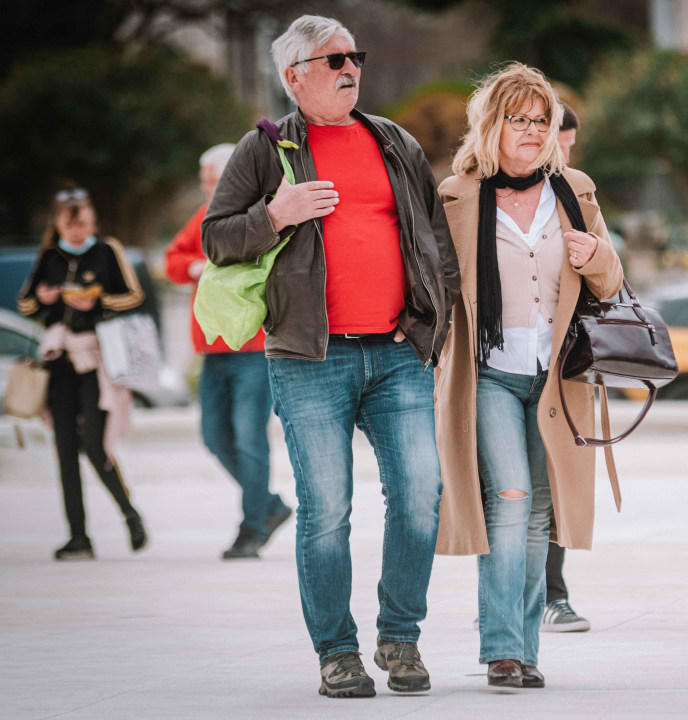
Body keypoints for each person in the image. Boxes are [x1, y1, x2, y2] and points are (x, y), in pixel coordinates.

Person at [202, 15, 459, 698]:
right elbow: (216, 239)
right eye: (333, 60)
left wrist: (431, 326)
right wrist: (276, 215)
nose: (351, 69)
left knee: (419, 499)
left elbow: (436, 243)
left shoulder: (394, 141)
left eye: (355, 57)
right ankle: (336, 653)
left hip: (398, 354)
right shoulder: (264, 150)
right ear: (294, 77)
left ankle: (400, 638)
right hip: (308, 358)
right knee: (327, 511)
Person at [434, 64, 623, 689]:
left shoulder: (574, 189)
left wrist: (597, 257)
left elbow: (612, 282)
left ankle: (526, 650)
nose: (532, 131)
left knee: (541, 513)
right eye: (519, 119)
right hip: (487, 374)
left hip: (556, 379)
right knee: (510, 501)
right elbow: (432, 286)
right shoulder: (457, 195)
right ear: (493, 124)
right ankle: (502, 649)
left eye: (541, 121)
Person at [165, 144, 291, 561]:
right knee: (215, 436)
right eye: (203, 178)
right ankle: (268, 505)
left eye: (209, 177)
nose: (204, 185)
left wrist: (210, 263)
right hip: (212, 349)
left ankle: (252, 527)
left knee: (250, 438)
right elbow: (172, 261)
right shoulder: (202, 217)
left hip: (252, 346)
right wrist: (196, 267)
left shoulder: (262, 214)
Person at [17, 188, 148, 561]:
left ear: (92, 223)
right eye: (69, 225)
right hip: (58, 363)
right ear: (58, 224)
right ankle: (78, 536)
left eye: (83, 224)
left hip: (96, 360)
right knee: (64, 450)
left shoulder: (107, 250)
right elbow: (25, 302)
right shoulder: (49, 255)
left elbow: (133, 296)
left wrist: (97, 300)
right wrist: (45, 299)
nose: (76, 232)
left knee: (95, 443)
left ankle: (130, 515)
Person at [541, 102, 590, 633]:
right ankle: (534, 595)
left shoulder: (574, 192)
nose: (566, 155)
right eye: (562, 141)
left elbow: (604, 273)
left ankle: (553, 594)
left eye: (571, 147)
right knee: (518, 487)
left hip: (562, 360)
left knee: (555, 481)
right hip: (510, 357)